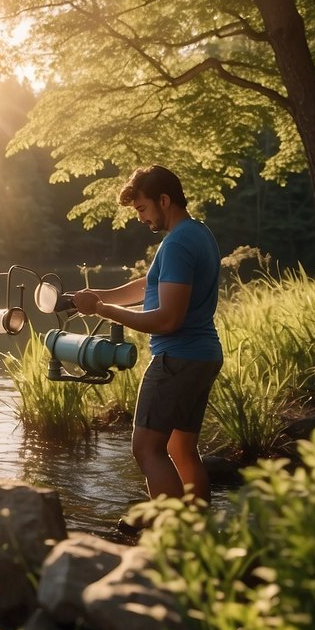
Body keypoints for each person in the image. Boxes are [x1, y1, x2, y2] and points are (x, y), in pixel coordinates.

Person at [72, 165, 222, 523]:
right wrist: (99, 297)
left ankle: (170, 538)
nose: (140, 217)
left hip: (176, 359)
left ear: (164, 200)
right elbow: (149, 285)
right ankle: (200, 534)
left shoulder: (177, 243)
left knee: (147, 450)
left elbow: (167, 319)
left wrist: (105, 311)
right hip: (202, 357)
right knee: (182, 449)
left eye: (142, 208)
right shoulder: (197, 233)